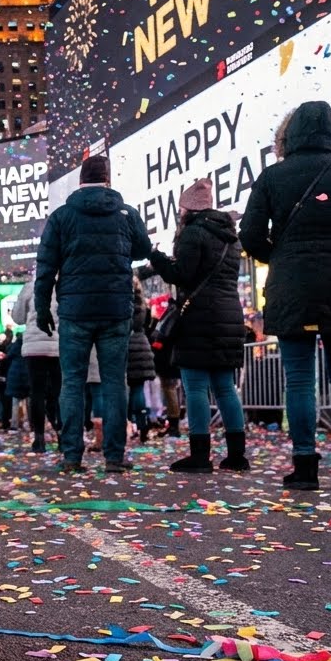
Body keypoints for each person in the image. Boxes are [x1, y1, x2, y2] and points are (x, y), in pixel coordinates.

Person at [239, 100, 331, 491]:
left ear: (287, 136)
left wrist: (281, 256)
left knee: (300, 380)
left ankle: (305, 465)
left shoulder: (272, 177)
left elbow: (250, 235)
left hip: (292, 285)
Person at [35, 155, 153, 473]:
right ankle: (114, 456)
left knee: (72, 382)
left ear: (80, 181)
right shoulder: (126, 214)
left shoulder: (61, 218)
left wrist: (43, 307)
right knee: (115, 382)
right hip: (116, 309)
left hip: (74, 311)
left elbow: (45, 267)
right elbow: (143, 248)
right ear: (108, 179)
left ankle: (72, 455)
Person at [149, 178, 248, 473]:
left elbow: (182, 274)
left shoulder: (194, 233)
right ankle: (236, 455)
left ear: (187, 208)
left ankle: (200, 455)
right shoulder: (230, 236)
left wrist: (156, 257)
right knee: (226, 388)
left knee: (194, 387)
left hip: (198, 318)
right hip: (229, 315)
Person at [11, 274, 61, 454]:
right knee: (58, 391)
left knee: (37, 392)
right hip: (58, 346)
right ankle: (62, 433)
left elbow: (17, 317)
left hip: (34, 346)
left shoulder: (30, 287)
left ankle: (39, 438)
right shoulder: (63, 286)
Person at [125, 280, 156, 443]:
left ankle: (128, 424)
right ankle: (143, 425)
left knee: (125, 389)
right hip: (142, 345)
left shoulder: (123, 302)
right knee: (138, 389)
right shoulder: (143, 305)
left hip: (127, 345)